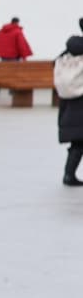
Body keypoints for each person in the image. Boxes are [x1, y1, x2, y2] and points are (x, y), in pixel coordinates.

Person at [55, 17, 83, 186]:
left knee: (78, 142)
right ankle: (69, 175)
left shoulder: (67, 52)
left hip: (69, 103)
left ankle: (68, 174)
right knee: (79, 142)